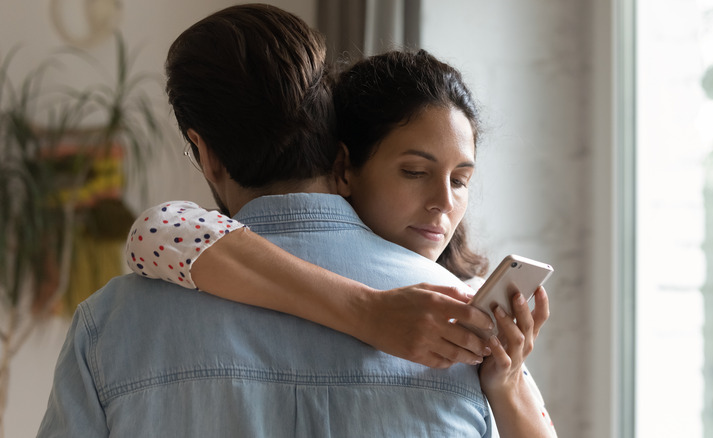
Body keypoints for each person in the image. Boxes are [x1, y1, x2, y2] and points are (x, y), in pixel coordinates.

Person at [39, 4, 553, 437]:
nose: (442, 202)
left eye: (459, 180)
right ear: (340, 157)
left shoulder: (110, 325)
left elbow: (157, 230)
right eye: (414, 171)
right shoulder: (457, 328)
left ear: (206, 152)